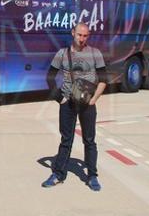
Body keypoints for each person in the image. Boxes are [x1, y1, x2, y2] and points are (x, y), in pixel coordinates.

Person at [42, 23, 107, 191]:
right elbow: (49, 77)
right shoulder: (62, 54)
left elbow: (103, 79)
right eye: (79, 35)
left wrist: (94, 99)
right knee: (66, 140)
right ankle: (58, 174)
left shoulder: (95, 53)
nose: (82, 39)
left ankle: (92, 175)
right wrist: (60, 99)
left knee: (90, 140)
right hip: (68, 104)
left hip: (87, 104)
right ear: (73, 33)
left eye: (85, 36)